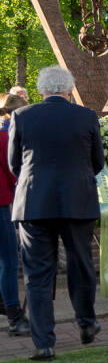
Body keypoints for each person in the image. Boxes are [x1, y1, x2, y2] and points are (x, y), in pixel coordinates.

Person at [9, 66, 104, 361]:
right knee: (81, 264)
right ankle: (86, 323)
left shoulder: (22, 116)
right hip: (77, 201)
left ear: (41, 90)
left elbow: (14, 163)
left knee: (37, 274)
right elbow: (97, 162)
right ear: (69, 89)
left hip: (34, 201)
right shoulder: (86, 117)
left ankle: (44, 343)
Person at [0, 93, 30, 336]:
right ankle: (14, 316)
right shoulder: (4, 137)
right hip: (1, 204)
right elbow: (13, 172)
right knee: (9, 261)